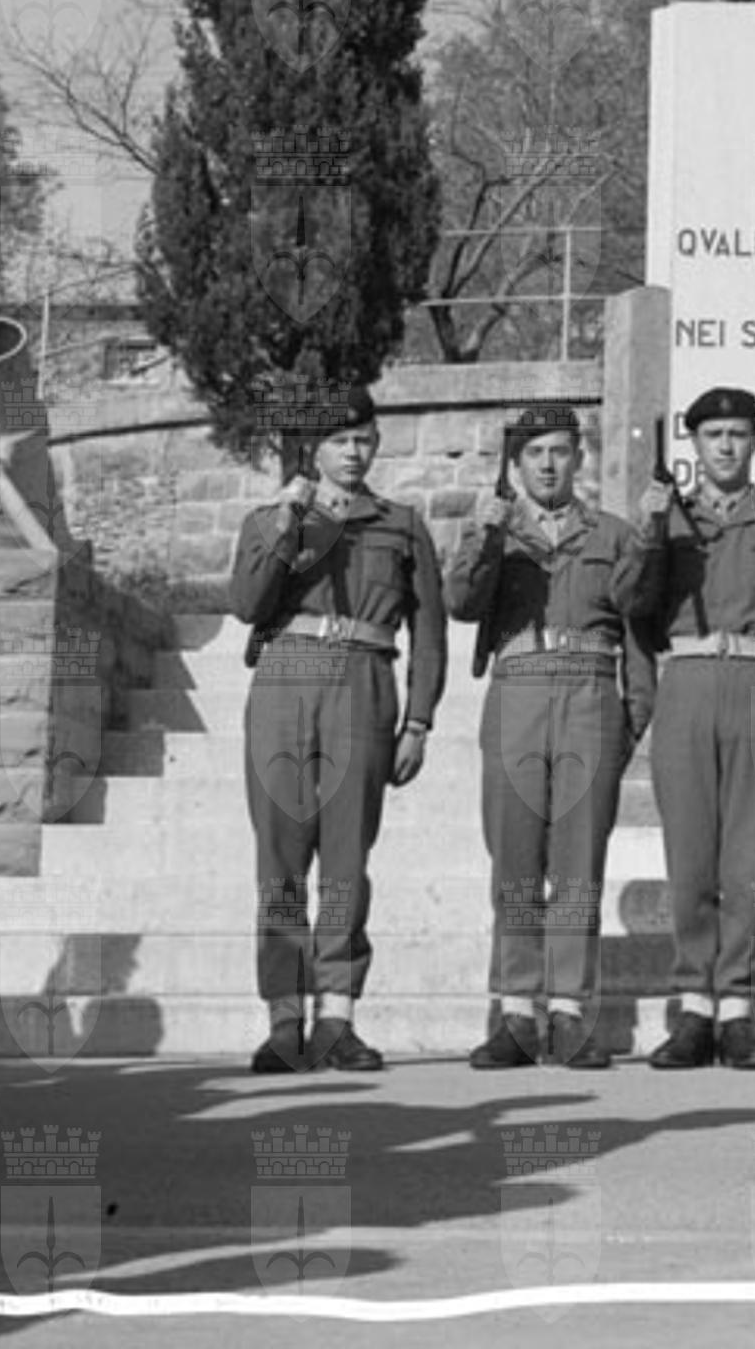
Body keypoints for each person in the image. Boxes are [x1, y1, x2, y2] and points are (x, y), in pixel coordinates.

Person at [230, 386, 445, 1074]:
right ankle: (283, 1022)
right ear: (312, 450)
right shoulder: (270, 518)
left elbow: (429, 631)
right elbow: (247, 603)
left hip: (363, 681)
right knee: (280, 860)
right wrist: (290, 519)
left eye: (363, 439)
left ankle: (337, 1019)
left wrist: (419, 720)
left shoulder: (400, 525)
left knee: (347, 858)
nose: (354, 452)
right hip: (284, 681)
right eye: (339, 441)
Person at [445, 404, 659, 1071]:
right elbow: (460, 603)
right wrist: (485, 536)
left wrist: (631, 719)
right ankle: (516, 1014)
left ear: (579, 459)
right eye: (534, 452)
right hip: (518, 690)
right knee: (514, 859)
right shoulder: (495, 530)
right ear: (516, 465)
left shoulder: (615, 535)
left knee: (577, 863)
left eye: (560, 451)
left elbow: (639, 631)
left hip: (590, 695)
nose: (547, 464)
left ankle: (568, 1012)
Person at [631, 386, 755, 1071]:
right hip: (687, 684)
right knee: (689, 857)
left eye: (737, 433)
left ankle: (739, 1009)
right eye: (713, 434)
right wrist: (650, 529)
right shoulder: (667, 518)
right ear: (693, 443)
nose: (725, 445)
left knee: (748, 858)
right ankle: (695, 1006)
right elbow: (633, 604)